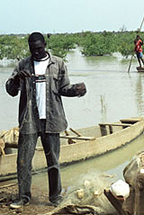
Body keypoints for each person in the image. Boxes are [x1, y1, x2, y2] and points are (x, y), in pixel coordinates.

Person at [6, 32, 87, 209]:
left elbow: (64, 88)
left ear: (44, 45)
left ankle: (55, 197)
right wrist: (18, 78)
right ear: (29, 47)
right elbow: (11, 90)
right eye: (32, 49)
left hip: (52, 120)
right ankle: (23, 197)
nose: (36, 52)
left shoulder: (57, 63)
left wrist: (77, 90)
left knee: (54, 162)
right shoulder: (23, 65)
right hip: (29, 121)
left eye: (39, 48)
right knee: (23, 162)